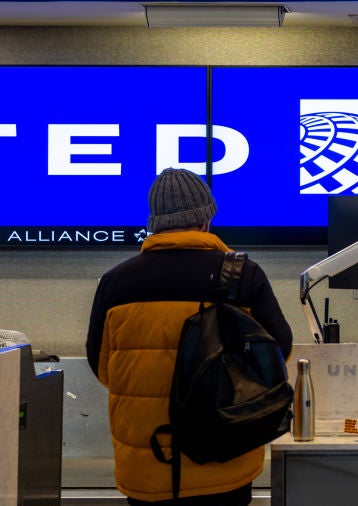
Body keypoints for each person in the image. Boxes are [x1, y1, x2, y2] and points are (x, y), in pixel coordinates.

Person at [85, 168, 293, 506]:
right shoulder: (243, 276)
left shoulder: (115, 283)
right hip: (225, 460)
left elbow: (103, 368)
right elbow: (277, 353)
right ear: (205, 219)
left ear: (154, 223)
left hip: (147, 466)